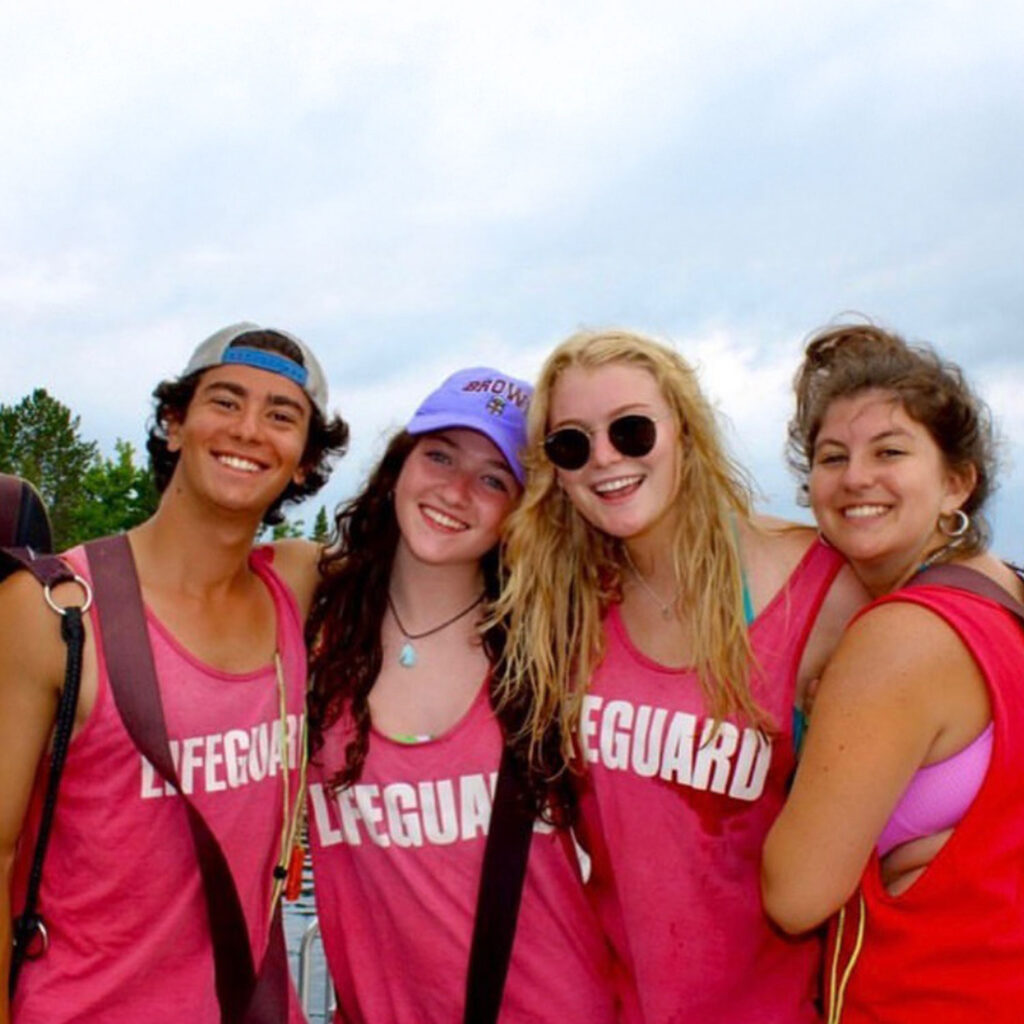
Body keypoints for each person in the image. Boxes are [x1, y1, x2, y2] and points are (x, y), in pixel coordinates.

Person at [493, 328, 865, 1023]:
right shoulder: (566, 603)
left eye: (631, 432)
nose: (605, 459)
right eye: (572, 444)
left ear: (685, 433)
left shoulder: (818, 587)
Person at [0, 322, 348, 1024]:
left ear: (305, 463)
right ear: (173, 423)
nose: (249, 429)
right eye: (225, 401)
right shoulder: (54, 611)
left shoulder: (300, 586)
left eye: (282, 416)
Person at [304, 367, 619, 1024]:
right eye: (439, 455)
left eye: (493, 478)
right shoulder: (311, 631)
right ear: (398, 466)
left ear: (522, 512)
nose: (455, 489)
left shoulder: (560, 648)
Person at [762, 323, 1024, 1023]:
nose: (855, 478)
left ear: (957, 483)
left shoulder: (899, 636)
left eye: (891, 451)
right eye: (832, 456)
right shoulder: (1006, 595)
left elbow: (795, 895)